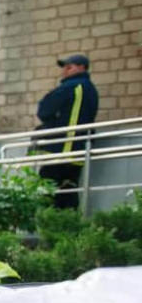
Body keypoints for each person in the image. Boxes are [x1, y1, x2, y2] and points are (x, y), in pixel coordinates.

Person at [35, 53, 99, 209]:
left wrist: (50, 125)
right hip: (76, 150)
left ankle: (49, 226)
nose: (64, 71)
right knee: (69, 190)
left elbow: (44, 110)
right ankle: (67, 227)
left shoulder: (72, 87)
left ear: (81, 68)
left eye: (69, 67)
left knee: (48, 191)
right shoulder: (90, 89)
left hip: (62, 149)